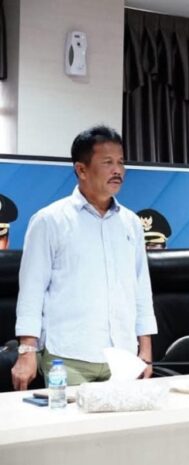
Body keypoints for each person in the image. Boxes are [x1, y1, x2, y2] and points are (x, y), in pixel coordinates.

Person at [12, 125, 157, 390]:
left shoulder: (131, 223)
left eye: (121, 162)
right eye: (108, 162)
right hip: (68, 359)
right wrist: (26, 352)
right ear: (81, 170)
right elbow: (32, 291)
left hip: (123, 358)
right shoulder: (50, 221)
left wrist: (145, 351)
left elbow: (141, 290)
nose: (118, 170)